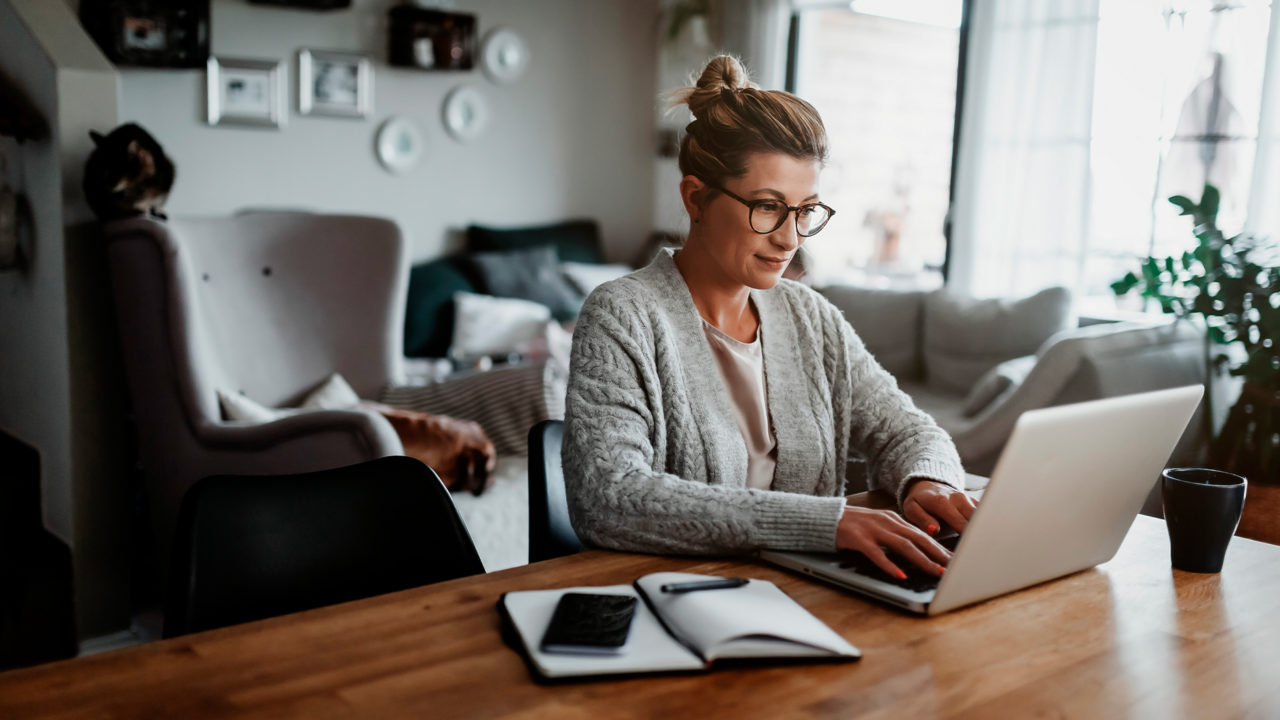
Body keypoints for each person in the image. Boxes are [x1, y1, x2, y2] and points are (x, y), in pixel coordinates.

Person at [562, 55, 976, 580]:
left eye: (805, 210)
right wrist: (827, 523)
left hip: (809, 591)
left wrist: (929, 481)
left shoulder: (810, 316)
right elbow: (610, 496)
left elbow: (908, 431)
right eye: (767, 207)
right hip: (678, 600)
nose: (789, 238)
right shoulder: (623, 316)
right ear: (696, 198)